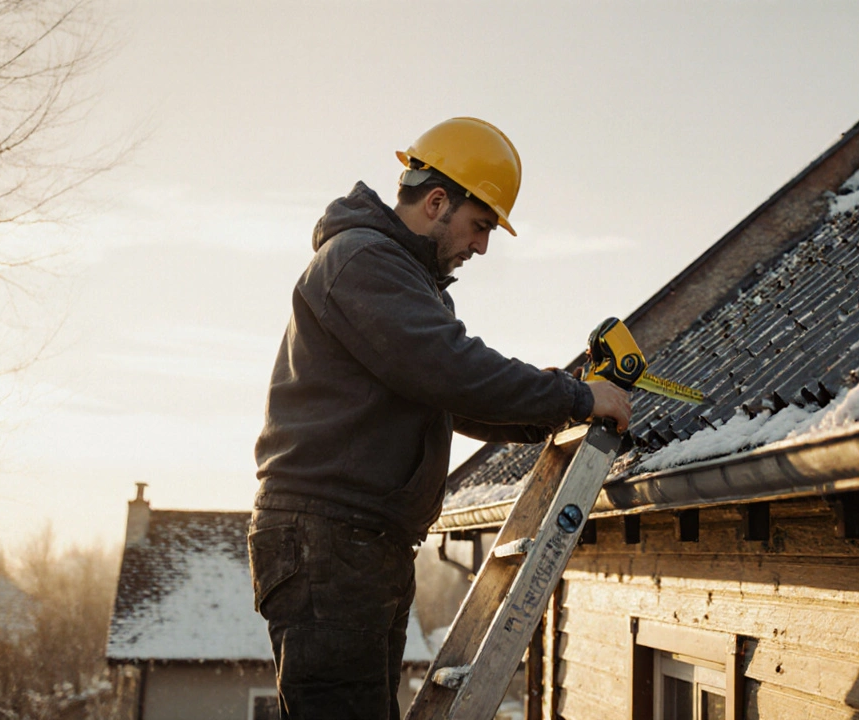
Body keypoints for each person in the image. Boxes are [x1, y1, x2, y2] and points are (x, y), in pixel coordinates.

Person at [247, 117, 632, 719]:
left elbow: (449, 395)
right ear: (436, 202)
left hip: (360, 542)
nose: (481, 246)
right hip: (326, 540)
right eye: (481, 226)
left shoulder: (401, 279)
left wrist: (553, 415)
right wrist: (576, 399)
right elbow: (449, 368)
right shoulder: (361, 262)